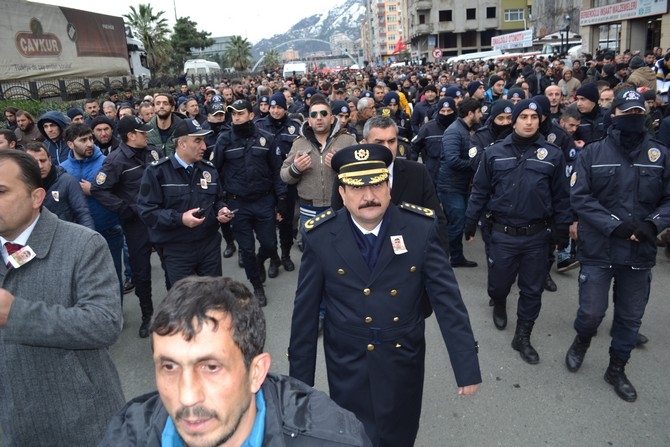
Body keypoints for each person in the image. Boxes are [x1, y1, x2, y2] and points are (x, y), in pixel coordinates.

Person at [290, 144, 480, 446]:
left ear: (388, 186)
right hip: (347, 360)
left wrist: (466, 365)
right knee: (352, 436)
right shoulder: (321, 235)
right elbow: (305, 313)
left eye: (376, 184)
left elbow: (448, 301)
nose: (368, 196)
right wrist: (299, 386)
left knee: (399, 435)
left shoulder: (420, 228)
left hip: (402, 356)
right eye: (357, 187)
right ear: (342, 193)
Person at [99, 276, 372, 446]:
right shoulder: (128, 434)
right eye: (169, 366)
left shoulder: (330, 439)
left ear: (256, 372)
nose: (187, 396)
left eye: (211, 367)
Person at [0, 150, 124, 445]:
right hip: (18, 426)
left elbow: (105, 323)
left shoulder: (83, 245)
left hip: (85, 423)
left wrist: (17, 315)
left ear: (36, 197)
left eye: (2, 191)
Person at [565, 89, 670, 402]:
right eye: (627, 115)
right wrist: (617, 227)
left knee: (629, 318)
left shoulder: (660, 154)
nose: (634, 119)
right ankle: (582, 340)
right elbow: (580, 197)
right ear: (614, 116)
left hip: (640, 254)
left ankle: (616, 368)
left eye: (639, 114)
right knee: (591, 313)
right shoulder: (593, 154)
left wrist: (652, 224)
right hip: (599, 249)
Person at [464, 99, 571, 364]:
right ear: (514, 121)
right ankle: (498, 301)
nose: (529, 122)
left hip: (537, 235)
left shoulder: (553, 154)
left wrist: (562, 230)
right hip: (502, 233)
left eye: (534, 117)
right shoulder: (494, 152)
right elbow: (480, 190)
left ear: (540, 121)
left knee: (532, 290)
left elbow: (561, 196)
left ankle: (523, 335)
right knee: (499, 283)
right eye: (523, 116)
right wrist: (470, 220)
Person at [137, 119, 233, 288]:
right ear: (181, 143)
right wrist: (180, 218)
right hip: (177, 249)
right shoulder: (157, 172)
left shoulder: (208, 169)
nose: (204, 146)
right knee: (185, 303)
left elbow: (217, 200)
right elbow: (147, 212)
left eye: (203, 140)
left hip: (208, 245)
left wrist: (221, 210)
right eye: (198, 140)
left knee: (214, 296)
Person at [91, 116, 164, 338]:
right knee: (141, 272)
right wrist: (124, 208)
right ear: (131, 136)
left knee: (173, 264)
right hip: (136, 224)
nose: (147, 135)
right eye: (143, 132)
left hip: (160, 220)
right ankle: (147, 315)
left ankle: (176, 311)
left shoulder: (153, 152)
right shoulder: (115, 161)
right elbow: (99, 189)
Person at [213, 100, 287, 305]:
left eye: (240, 113)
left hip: (263, 201)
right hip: (238, 204)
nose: (236, 117)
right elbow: (214, 172)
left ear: (251, 115)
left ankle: (261, 259)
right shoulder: (224, 140)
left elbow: (276, 171)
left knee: (270, 244)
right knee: (245, 249)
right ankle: (256, 287)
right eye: (233, 113)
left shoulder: (266, 138)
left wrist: (281, 200)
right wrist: (219, 202)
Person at [61, 123, 125, 296]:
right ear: (70, 144)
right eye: (83, 140)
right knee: (86, 280)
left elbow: (120, 196)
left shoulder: (107, 163)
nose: (90, 143)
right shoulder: (63, 169)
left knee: (112, 275)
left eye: (90, 138)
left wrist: (94, 191)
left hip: (108, 228)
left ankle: (116, 316)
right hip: (77, 233)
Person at [257, 92, 303, 270]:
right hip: (267, 185)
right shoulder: (259, 126)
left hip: (288, 183)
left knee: (286, 222)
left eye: (279, 107)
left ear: (285, 108)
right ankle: (273, 258)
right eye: (272, 107)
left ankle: (285, 255)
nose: (275, 111)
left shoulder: (294, 127)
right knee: (268, 225)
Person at [438, 97, 482, 267]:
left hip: (460, 185)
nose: (481, 115)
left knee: (457, 222)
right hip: (450, 187)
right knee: (456, 224)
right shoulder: (454, 131)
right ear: (470, 113)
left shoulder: (467, 129)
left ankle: (456, 258)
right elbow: (452, 160)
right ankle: (440, 260)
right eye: (479, 112)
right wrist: (476, 165)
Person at [25, 141, 95, 230]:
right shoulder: (24, 186)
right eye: (35, 162)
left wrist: (90, 241)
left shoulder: (67, 181)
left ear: (50, 160)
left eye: (43, 161)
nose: (40, 166)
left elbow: (83, 214)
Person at [410, 96, 458, 186]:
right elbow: (414, 147)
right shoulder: (428, 128)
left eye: (449, 111)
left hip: (455, 177)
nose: (446, 114)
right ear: (438, 111)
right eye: (443, 111)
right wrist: (413, 168)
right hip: (433, 174)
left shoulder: (459, 127)